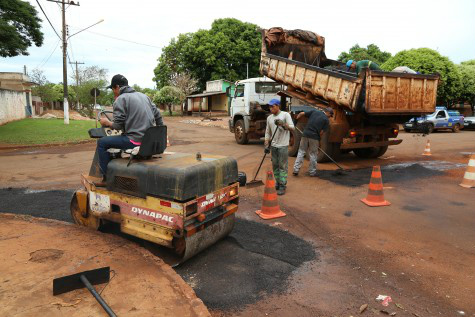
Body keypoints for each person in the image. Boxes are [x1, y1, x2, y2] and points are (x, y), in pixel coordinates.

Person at [95, 74, 163, 186]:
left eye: (112, 89)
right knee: (119, 139)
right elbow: (158, 116)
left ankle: (106, 179)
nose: (113, 92)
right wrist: (161, 134)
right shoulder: (144, 96)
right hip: (149, 140)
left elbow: (117, 126)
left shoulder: (120, 99)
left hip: (134, 140)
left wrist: (106, 123)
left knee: (102, 143)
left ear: (117, 87)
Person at [264, 99, 294, 195]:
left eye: (272, 106)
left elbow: (292, 127)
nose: (271, 108)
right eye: (270, 106)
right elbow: (267, 132)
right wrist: (266, 144)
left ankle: (283, 185)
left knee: (282, 166)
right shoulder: (269, 118)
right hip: (274, 145)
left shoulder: (285, 115)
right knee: (275, 165)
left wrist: (283, 124)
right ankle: (278, 182)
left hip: (283, 145)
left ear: (278, 106)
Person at [293, 107, 333, 177]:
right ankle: (312, 172)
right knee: (313, 154)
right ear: (328, 112)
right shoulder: (326, 120)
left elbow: (301, 113)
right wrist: (319, 140)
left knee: (301, 151)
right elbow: (321, 132)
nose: (330, 117)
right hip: (314, 137)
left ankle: (295, 170)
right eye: (330, 115)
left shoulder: (314, 111)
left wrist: (295, 121)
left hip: (305, 134)